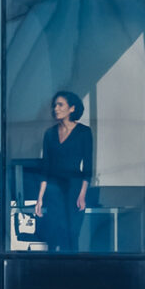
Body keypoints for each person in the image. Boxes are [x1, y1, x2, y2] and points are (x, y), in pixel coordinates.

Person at [34, 91, 93, 251]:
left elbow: (88, 166)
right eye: (55, 105)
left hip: (74, 189)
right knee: (53, 237)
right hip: (53, 191)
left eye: (60, 105)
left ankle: (72, 266)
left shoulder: (84, 132)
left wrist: (82, 194)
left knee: (72, 237)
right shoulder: (49, 133)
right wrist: (40, 198)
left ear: (72, 108)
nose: (56, 108)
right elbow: (45, 167)